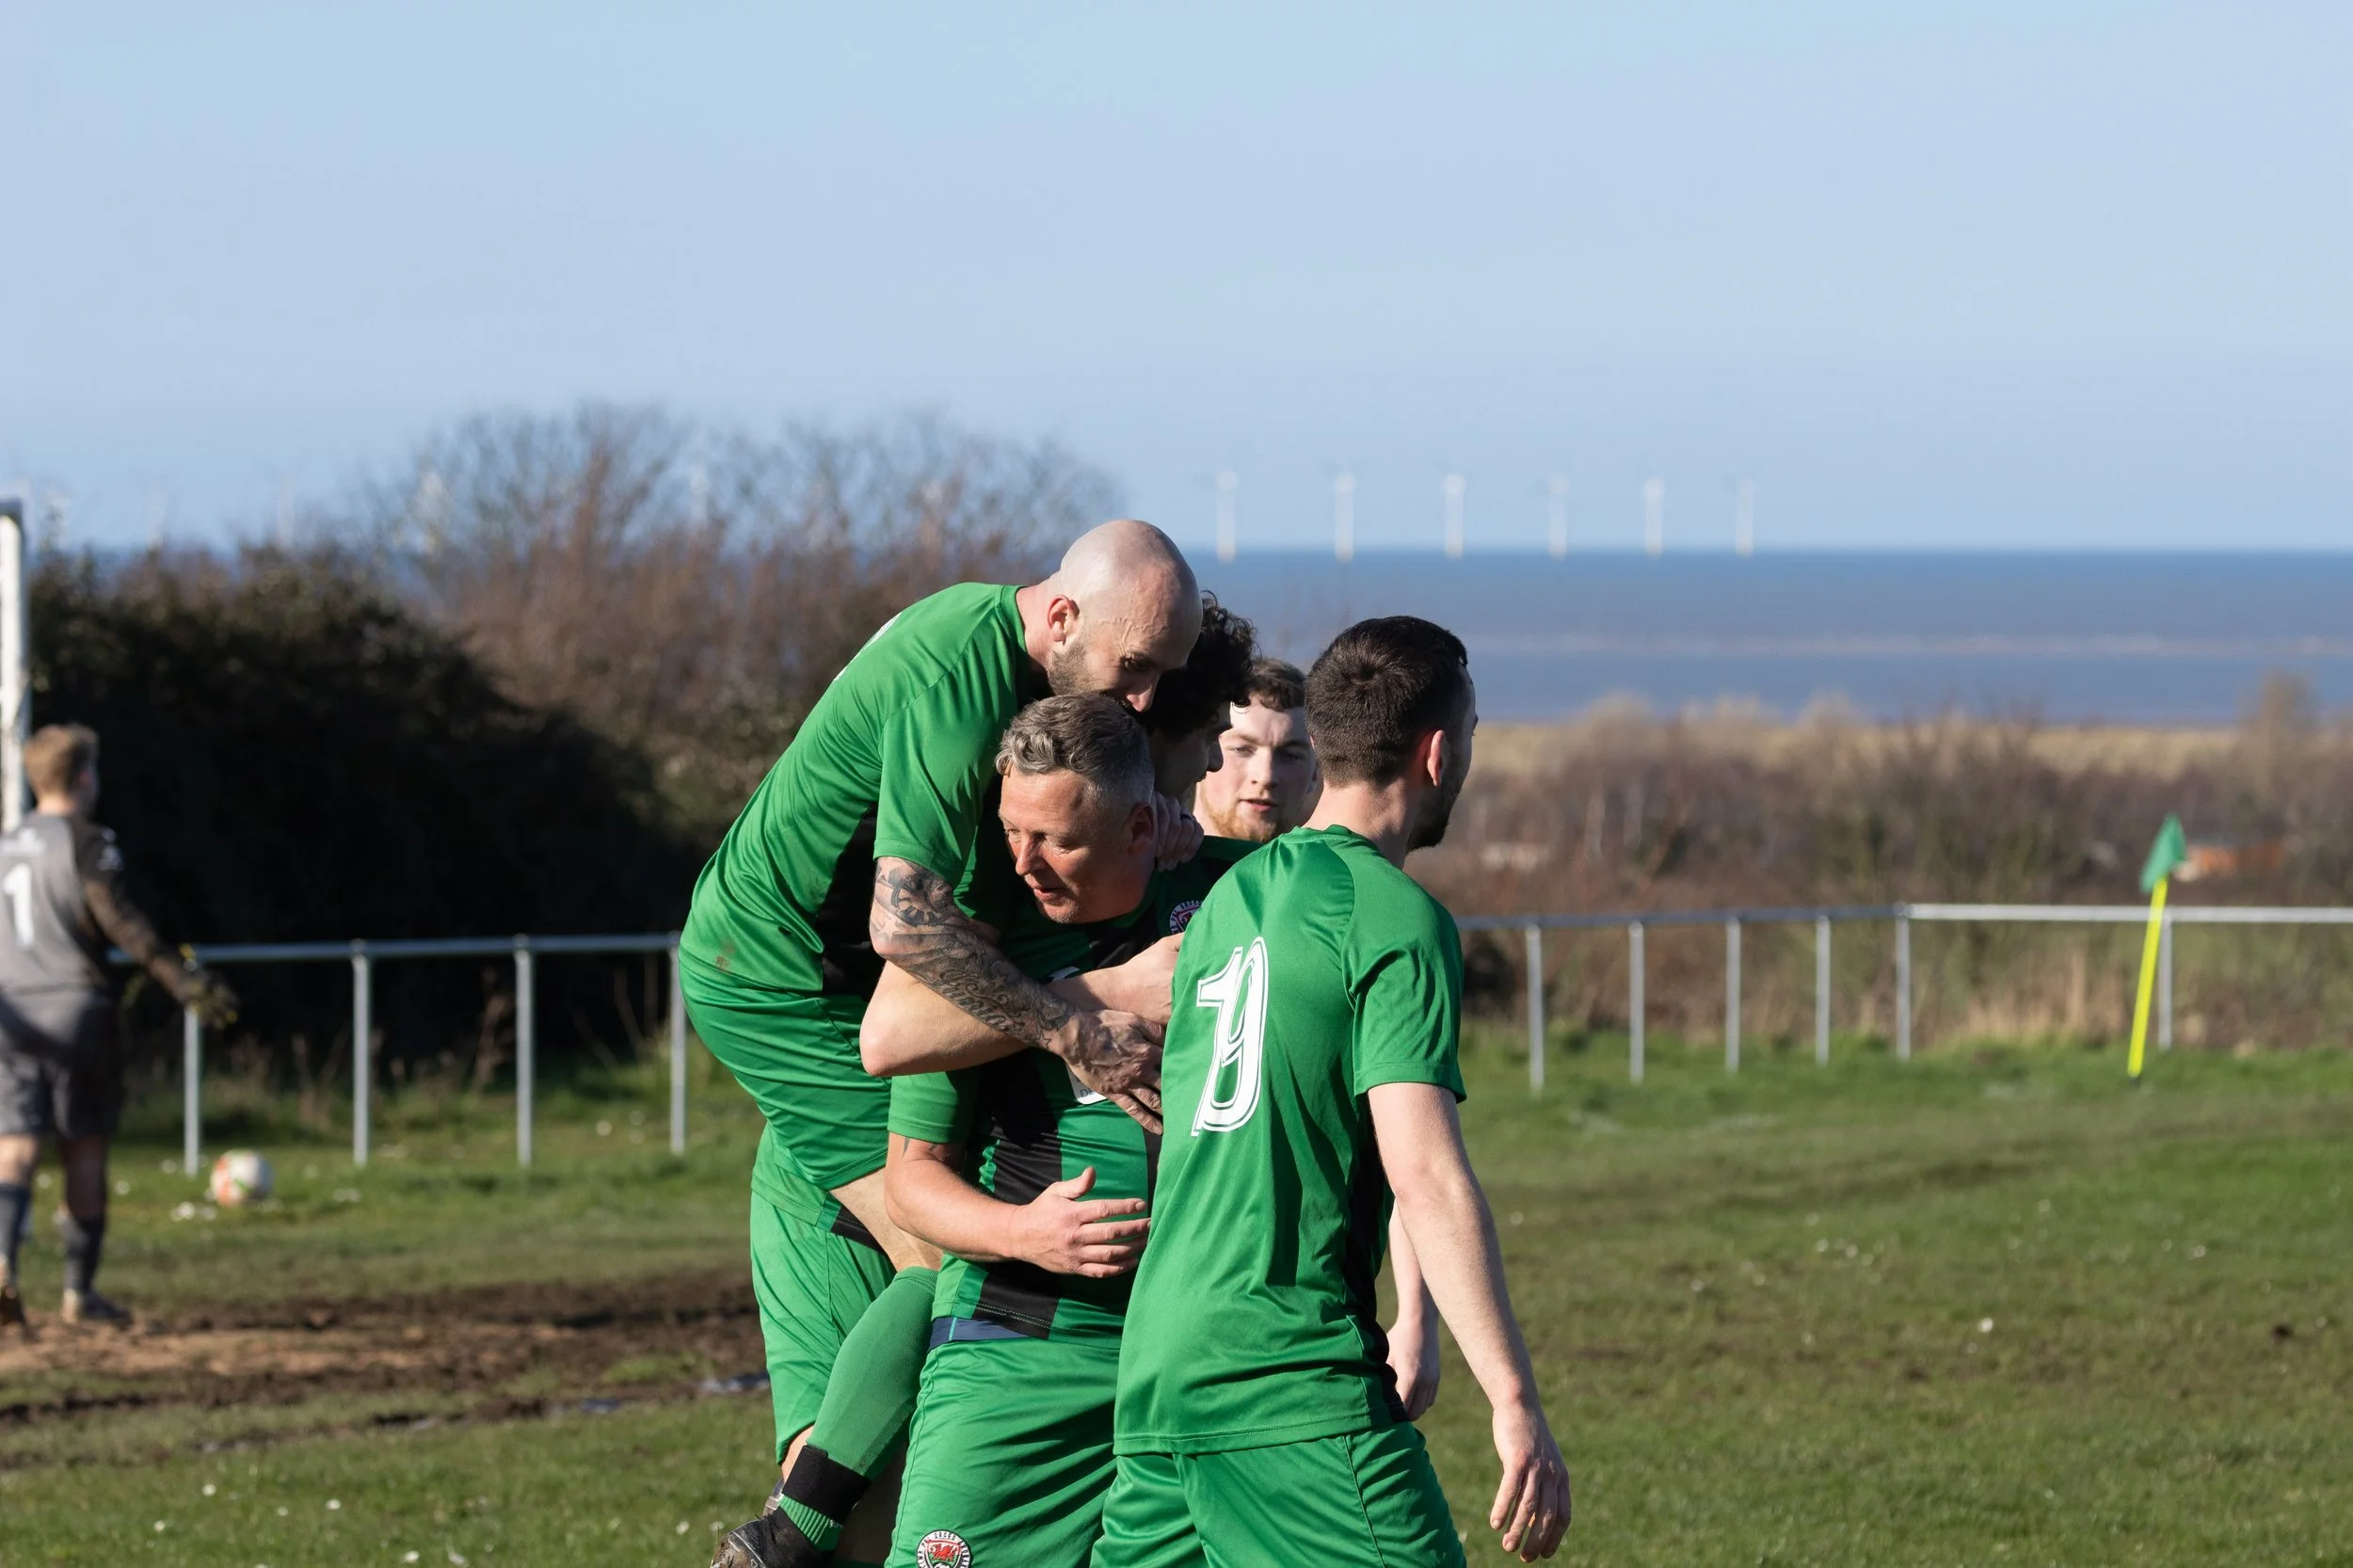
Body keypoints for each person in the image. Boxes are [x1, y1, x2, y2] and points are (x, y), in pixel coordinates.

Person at [686, 521, 1203, 1568]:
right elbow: (905, 925)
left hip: (836, 979)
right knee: (955, 1249)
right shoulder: (958, 669)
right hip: (784, 984)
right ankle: (794, 1533)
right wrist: (1074, 1024)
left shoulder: (1024, 672)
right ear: (1059, 617)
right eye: (1134, 666)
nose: (1144, 697)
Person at [1095, 616, 1573, 1567]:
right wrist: (1513, 1399)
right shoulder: (1395, 919)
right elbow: (1425, 1171)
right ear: (1438, 752)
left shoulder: (1229, 897)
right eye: (1468, 737)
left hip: (1158, 1369)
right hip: (1283, 1373)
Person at [868, 695, 1261, 1568]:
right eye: (1013, 832)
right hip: (1024, 1346)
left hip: (1207, 1356)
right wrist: (1022, 1231)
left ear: (1141, 827)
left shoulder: (1238, 893)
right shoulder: (984, 946)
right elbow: (910, 1180)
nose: (1025, 864)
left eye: (1057, 841)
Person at [0, 725, 236, 1333]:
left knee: (15, 1146)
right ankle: (80, 1294)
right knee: (83, 1147)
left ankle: (2, 1264)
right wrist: (182, 980)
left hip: (10, 1015)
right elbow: (118, 918)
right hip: (75, 1010)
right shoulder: (87, 841)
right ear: (84, 777)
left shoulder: (6, 842)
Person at [1190, 656, 1320, 842]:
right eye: (1241, 749)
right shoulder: (1143, 862)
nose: (1266, 777)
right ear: (1203, 753)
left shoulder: (1337, 870)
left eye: (1291, 755)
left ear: (1315, 772)